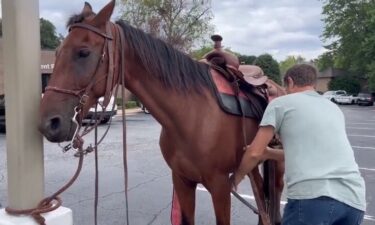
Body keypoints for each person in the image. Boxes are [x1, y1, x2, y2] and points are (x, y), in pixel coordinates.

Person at [231, 64, 366, 225]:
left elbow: (254, 152)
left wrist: (234, 180)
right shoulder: (334, 108)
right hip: (354, 201)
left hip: (312, 200)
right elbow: (311, 151)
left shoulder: (281, 104)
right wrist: (269, 153)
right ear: (313, 83)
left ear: (290, 81)